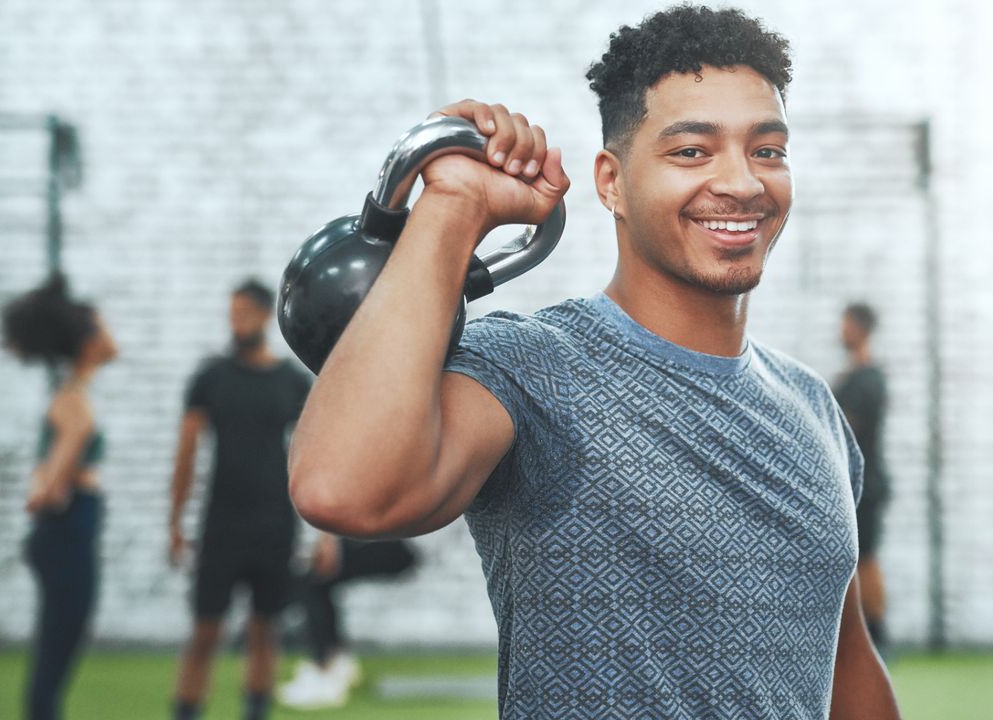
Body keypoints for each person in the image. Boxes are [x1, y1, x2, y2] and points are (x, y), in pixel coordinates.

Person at [287, 5, 900, 718]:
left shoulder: (812, 408)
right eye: (692, 152)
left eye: (767, 150)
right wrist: (453, 205)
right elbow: (342, 490)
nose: (742, 181)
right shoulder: (530, 367)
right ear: (610, 181)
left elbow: (848, 669)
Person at [168, 279, 312, 720]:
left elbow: (316, 455)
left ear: (264, 316)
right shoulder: (210, 378)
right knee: (205, 631)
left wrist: (323, 533)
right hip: (221, 526)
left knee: (264, 632)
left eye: (243, 314)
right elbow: (187, 454)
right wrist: (174, 523)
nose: (236, 323)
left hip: (274, 526)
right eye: (231, 315)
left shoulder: (291, 381)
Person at [2, 273, 118, 720]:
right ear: (85, 344)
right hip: (66, 531)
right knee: (57, 649)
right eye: (99, 329)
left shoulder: (74, 391)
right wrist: (48, 486)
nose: (108, 337)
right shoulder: (73, 402)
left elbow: (110, 349)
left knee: (60, 646)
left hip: (66, 532)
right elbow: (48, 490)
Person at [278, 534, 417, 710]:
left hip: (405, 542)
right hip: (397, 539)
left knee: (315, 579)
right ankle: (336, 662)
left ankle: (325, 672)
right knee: (316, 581)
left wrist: (329, 540)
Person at [833, 302, 893, 650]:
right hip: (852, 483)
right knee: (859, 558)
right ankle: (867, 633)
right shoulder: (853, 376)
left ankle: (879, 635)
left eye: (845, 324)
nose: (840, 331)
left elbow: (850, 429)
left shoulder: (868, 380)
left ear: (859, 328)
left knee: (866, 558)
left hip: (866, 486)